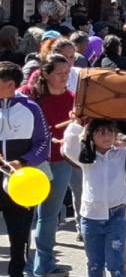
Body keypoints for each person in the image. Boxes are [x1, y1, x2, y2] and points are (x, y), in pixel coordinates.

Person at [63, 116, 126, 277]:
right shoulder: (86, 158)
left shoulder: (123, 155)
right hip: (90, 217)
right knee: (94, 263)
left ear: (115, 135)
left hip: (116, 215)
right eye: (100, 133)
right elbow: (69, 147)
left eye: (110, 132)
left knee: (116, 263)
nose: (105, 136)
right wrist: (76, 124)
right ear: (91, 136)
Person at [16, 54, 74, 277]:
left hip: (60, 162)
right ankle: (24, 263)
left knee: (49, 216)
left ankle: (44, 264)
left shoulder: (73, 98)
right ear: (45, 73)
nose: (64, 77)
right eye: (59, 73)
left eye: (67, 73)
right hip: (30, 163)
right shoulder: (29, 96)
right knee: (25, 216)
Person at [0, 61, 50, 277]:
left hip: (20, 180)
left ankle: (17, 272)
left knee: (19, 233)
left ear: (10, 84)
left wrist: (22, 161)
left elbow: (43, 143)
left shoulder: (31, 108)